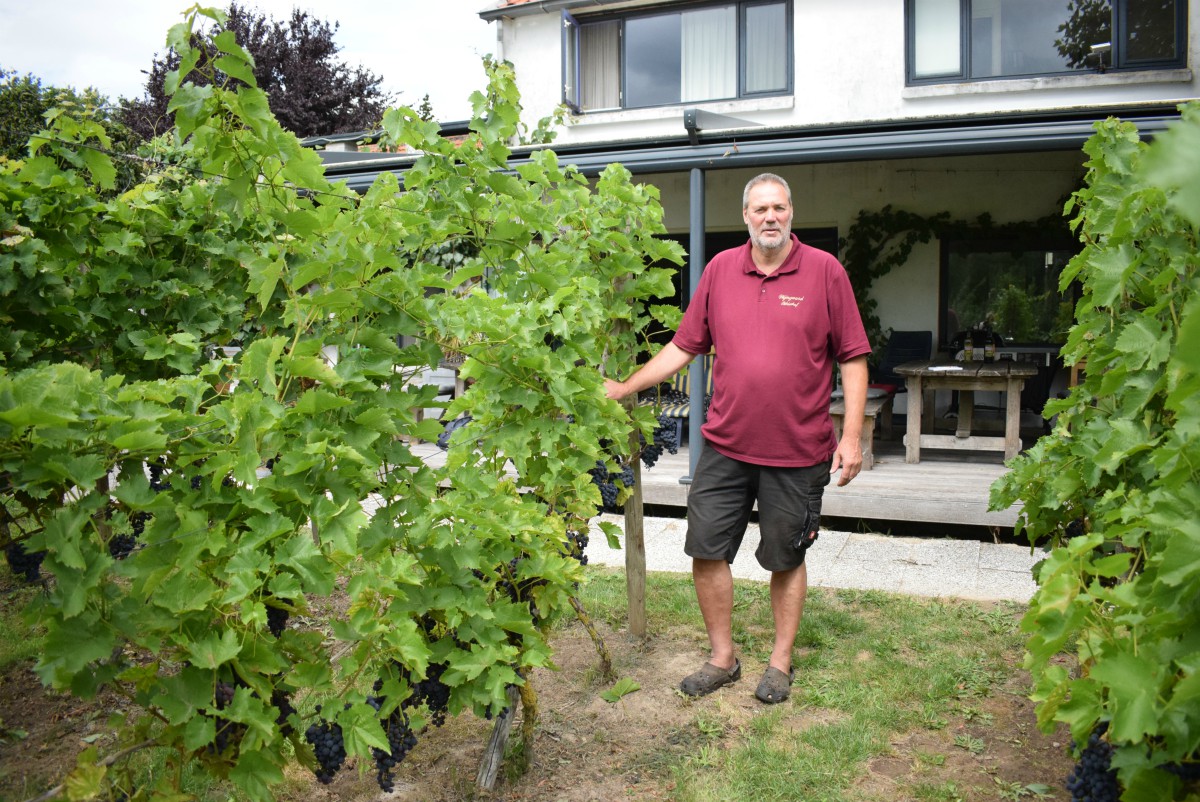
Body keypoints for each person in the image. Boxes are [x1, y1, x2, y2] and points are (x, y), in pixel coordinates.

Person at [604, 173, 871, 704]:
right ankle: (722, 658)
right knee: (705, 550)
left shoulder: (824, 272)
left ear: (791, 211)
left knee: (786, 557)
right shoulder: (721, 270)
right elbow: (685, 346)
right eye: (759, 209)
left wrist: (853, 437)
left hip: (797, 450)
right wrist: (626, 386)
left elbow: (853, 357)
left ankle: (780, 661)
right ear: (745, 216)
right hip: (724, 445)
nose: (769, 217)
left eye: (778, 207)